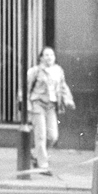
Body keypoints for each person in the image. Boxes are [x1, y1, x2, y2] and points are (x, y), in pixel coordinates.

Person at [25, 46, 73, 175]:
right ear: (41, 58)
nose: (49, 57)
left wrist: (68, 100)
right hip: (38, 104)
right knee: (40, 136)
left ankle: (36, 155)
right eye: (46, 55)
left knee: (52, 136)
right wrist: (27, 105)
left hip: (51, 106)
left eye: (51, 55)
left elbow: (63, 86)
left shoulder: (58, 70)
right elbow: (25, 88)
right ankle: (43, 165)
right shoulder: (35, 71)